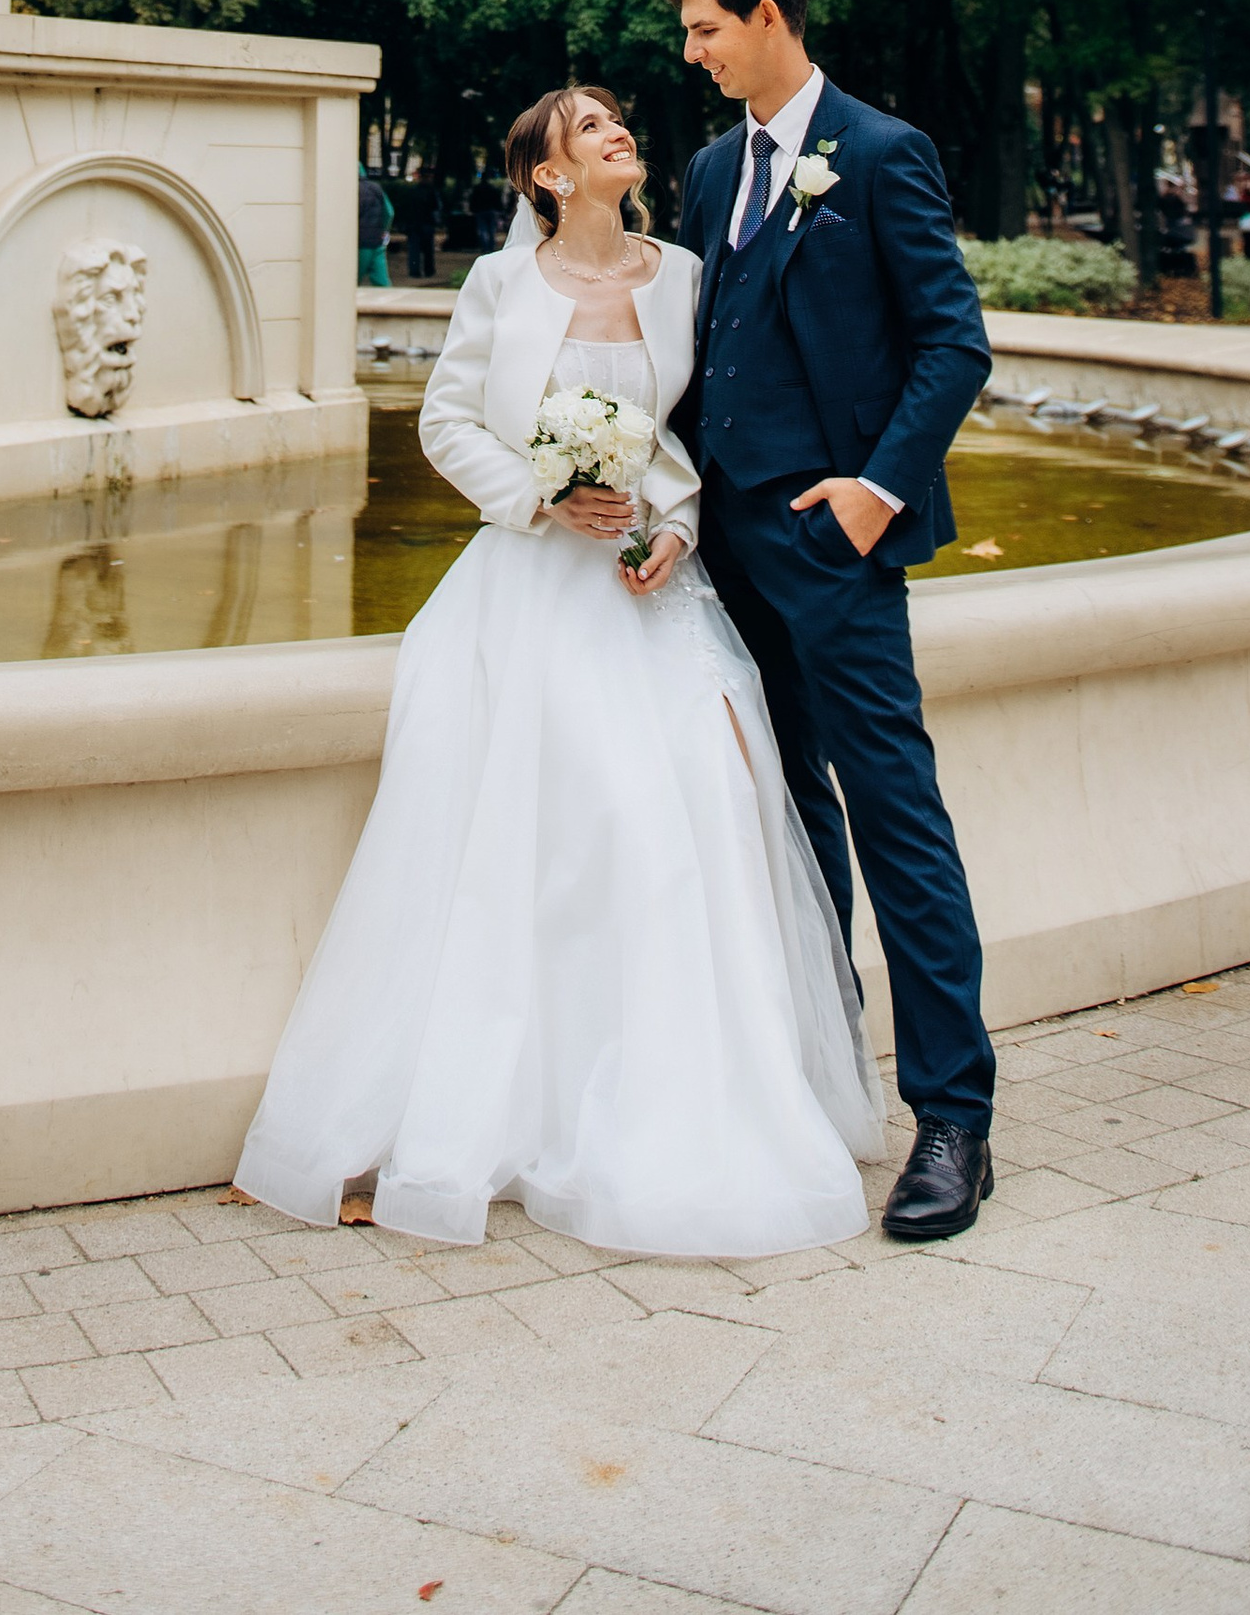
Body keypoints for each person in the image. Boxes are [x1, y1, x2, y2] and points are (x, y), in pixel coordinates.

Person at [234, 80, 878, 1253]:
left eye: (615, 118)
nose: (615, 131)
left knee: (691, 819)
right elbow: (445, 422)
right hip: (528, 591)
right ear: (547, 174)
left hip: (652, 593)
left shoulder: (684, 274)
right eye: (588, 127)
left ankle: (682, 1093)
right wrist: (541, 495)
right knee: (551, 836)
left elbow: (697, 434)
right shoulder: (496, 283)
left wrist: (673, 525)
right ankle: (513, 1102)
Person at [664, 0, 999, 1244]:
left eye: (703, 27)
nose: (692, 53)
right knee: (788, 817)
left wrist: (875, 488)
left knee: (893, 814)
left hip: (836, 544)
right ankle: (825, 1075)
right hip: (729, 553)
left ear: (765, 13)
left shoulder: (881, 148)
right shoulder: (705, 170)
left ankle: (955, 1119)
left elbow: (952, 341)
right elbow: (703, 348)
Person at [398, 165, 441, 282]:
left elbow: (404, 208)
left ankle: (414, 270)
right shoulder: (432, 192)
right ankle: (429, 270)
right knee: (428, 249)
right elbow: (435, 208)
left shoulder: (412, 192)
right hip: (427, 223)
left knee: (414, 249)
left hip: (413, 224)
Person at [356, 162, 393, 291]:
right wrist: (384, 230)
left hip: (359, 243)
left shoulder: (351, 189)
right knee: (382, 282)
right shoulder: (376, 188)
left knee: (351, 283)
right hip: (377, 241)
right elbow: (389, 212)